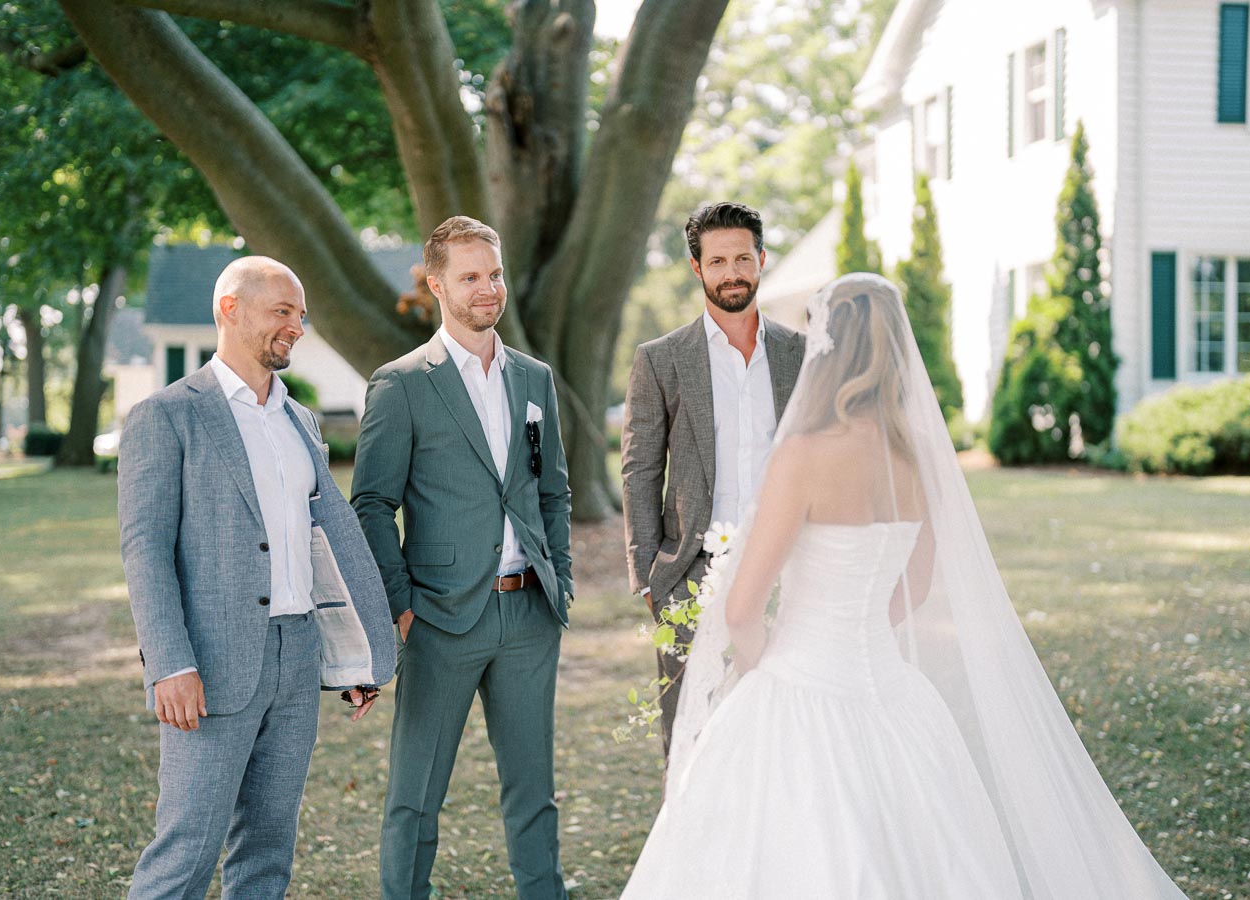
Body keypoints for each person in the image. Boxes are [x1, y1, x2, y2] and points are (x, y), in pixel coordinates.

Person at [621, 273, 1188, 898]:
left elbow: (742, 606)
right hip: (891, 686)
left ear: (828, 349)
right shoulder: (918, 455)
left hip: (798, 681)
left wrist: (766, 665)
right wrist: (850, 631)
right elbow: (913, 591)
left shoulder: (804, 454)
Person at [119, 256, 397, 899]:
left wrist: (354, 656)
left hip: (297, 656)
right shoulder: (168, 416)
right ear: (230, 308)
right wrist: (168, 663)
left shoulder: (299, 421)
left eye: (300, 316)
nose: (296, 327)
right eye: (282, 312)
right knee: (187, 849)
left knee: (269, 850)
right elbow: (145, 550)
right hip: (210, 664)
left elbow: (322, 546)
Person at [351, 216, 573, 900]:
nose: (488, 289)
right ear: (436, 284)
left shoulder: (534, 379)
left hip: (528, 616)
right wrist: (403, 606)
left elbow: (554, 490)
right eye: (471, 276)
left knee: (534, 794)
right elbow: (370, 504)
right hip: (441, 621)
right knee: (415, 798)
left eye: (495, 274)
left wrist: (557, 581)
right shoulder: (402, 383)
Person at [621, 201, 805, 756]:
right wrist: (651, 577)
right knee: (692, 738)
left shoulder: (801, 354)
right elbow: (640, 468)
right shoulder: (662, 359)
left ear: (761, 260)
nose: (732, 272)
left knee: (785, 730)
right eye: (718, 261)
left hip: (792, 571)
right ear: (697, 268)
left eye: (742, 258)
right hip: (691, 574)